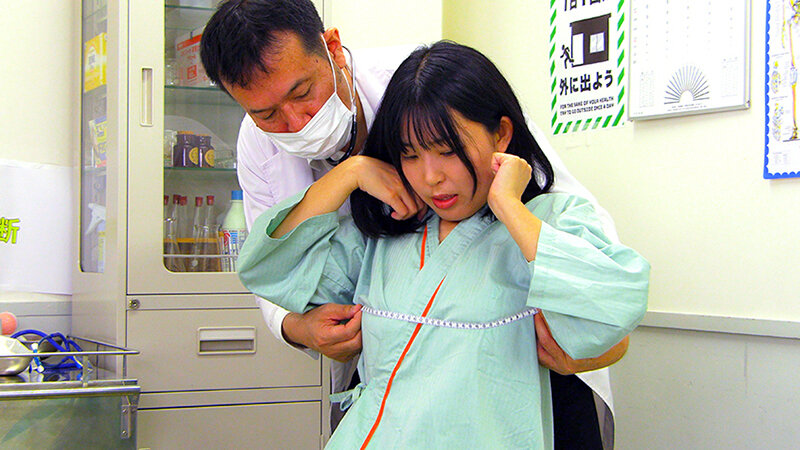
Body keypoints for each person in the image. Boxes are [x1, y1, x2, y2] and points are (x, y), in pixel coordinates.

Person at [201, 1, 632, 446]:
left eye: (303, 92)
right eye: (267, 114)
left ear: (332, 48)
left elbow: (577, 241)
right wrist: (346, 177)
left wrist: (606, 337)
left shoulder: (428, 84)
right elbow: (271, 268)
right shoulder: (372, 241)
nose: (294, 122)